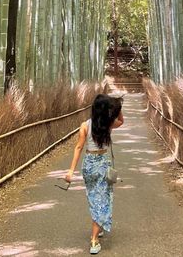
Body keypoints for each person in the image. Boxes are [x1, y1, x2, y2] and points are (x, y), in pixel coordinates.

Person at [65, 93, 124, 254]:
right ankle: (94, 240)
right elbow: (122, 121)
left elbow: (78, 148)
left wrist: (71, 170)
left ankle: (99, 226)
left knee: (94, 198)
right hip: (103, 164)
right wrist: (118, 107)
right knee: (102, 199)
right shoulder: (109, 123)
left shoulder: (85, 125)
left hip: (89, 165)